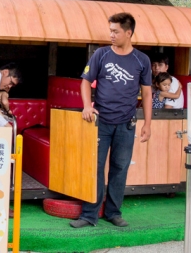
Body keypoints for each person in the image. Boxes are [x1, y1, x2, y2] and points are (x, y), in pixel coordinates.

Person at [70, 13, 152, 229]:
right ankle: (89, 214)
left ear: (128, 33)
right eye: (110, 30)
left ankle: (113, 213)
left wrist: (148, 124)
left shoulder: (141, 60)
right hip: (101, 122)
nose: (111, 35)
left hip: (127, 123)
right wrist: (88, 106)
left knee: (120, 167)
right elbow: (86, 81)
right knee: (94, 167)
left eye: (115, 31)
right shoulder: (101, 54)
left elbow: (147, 93)